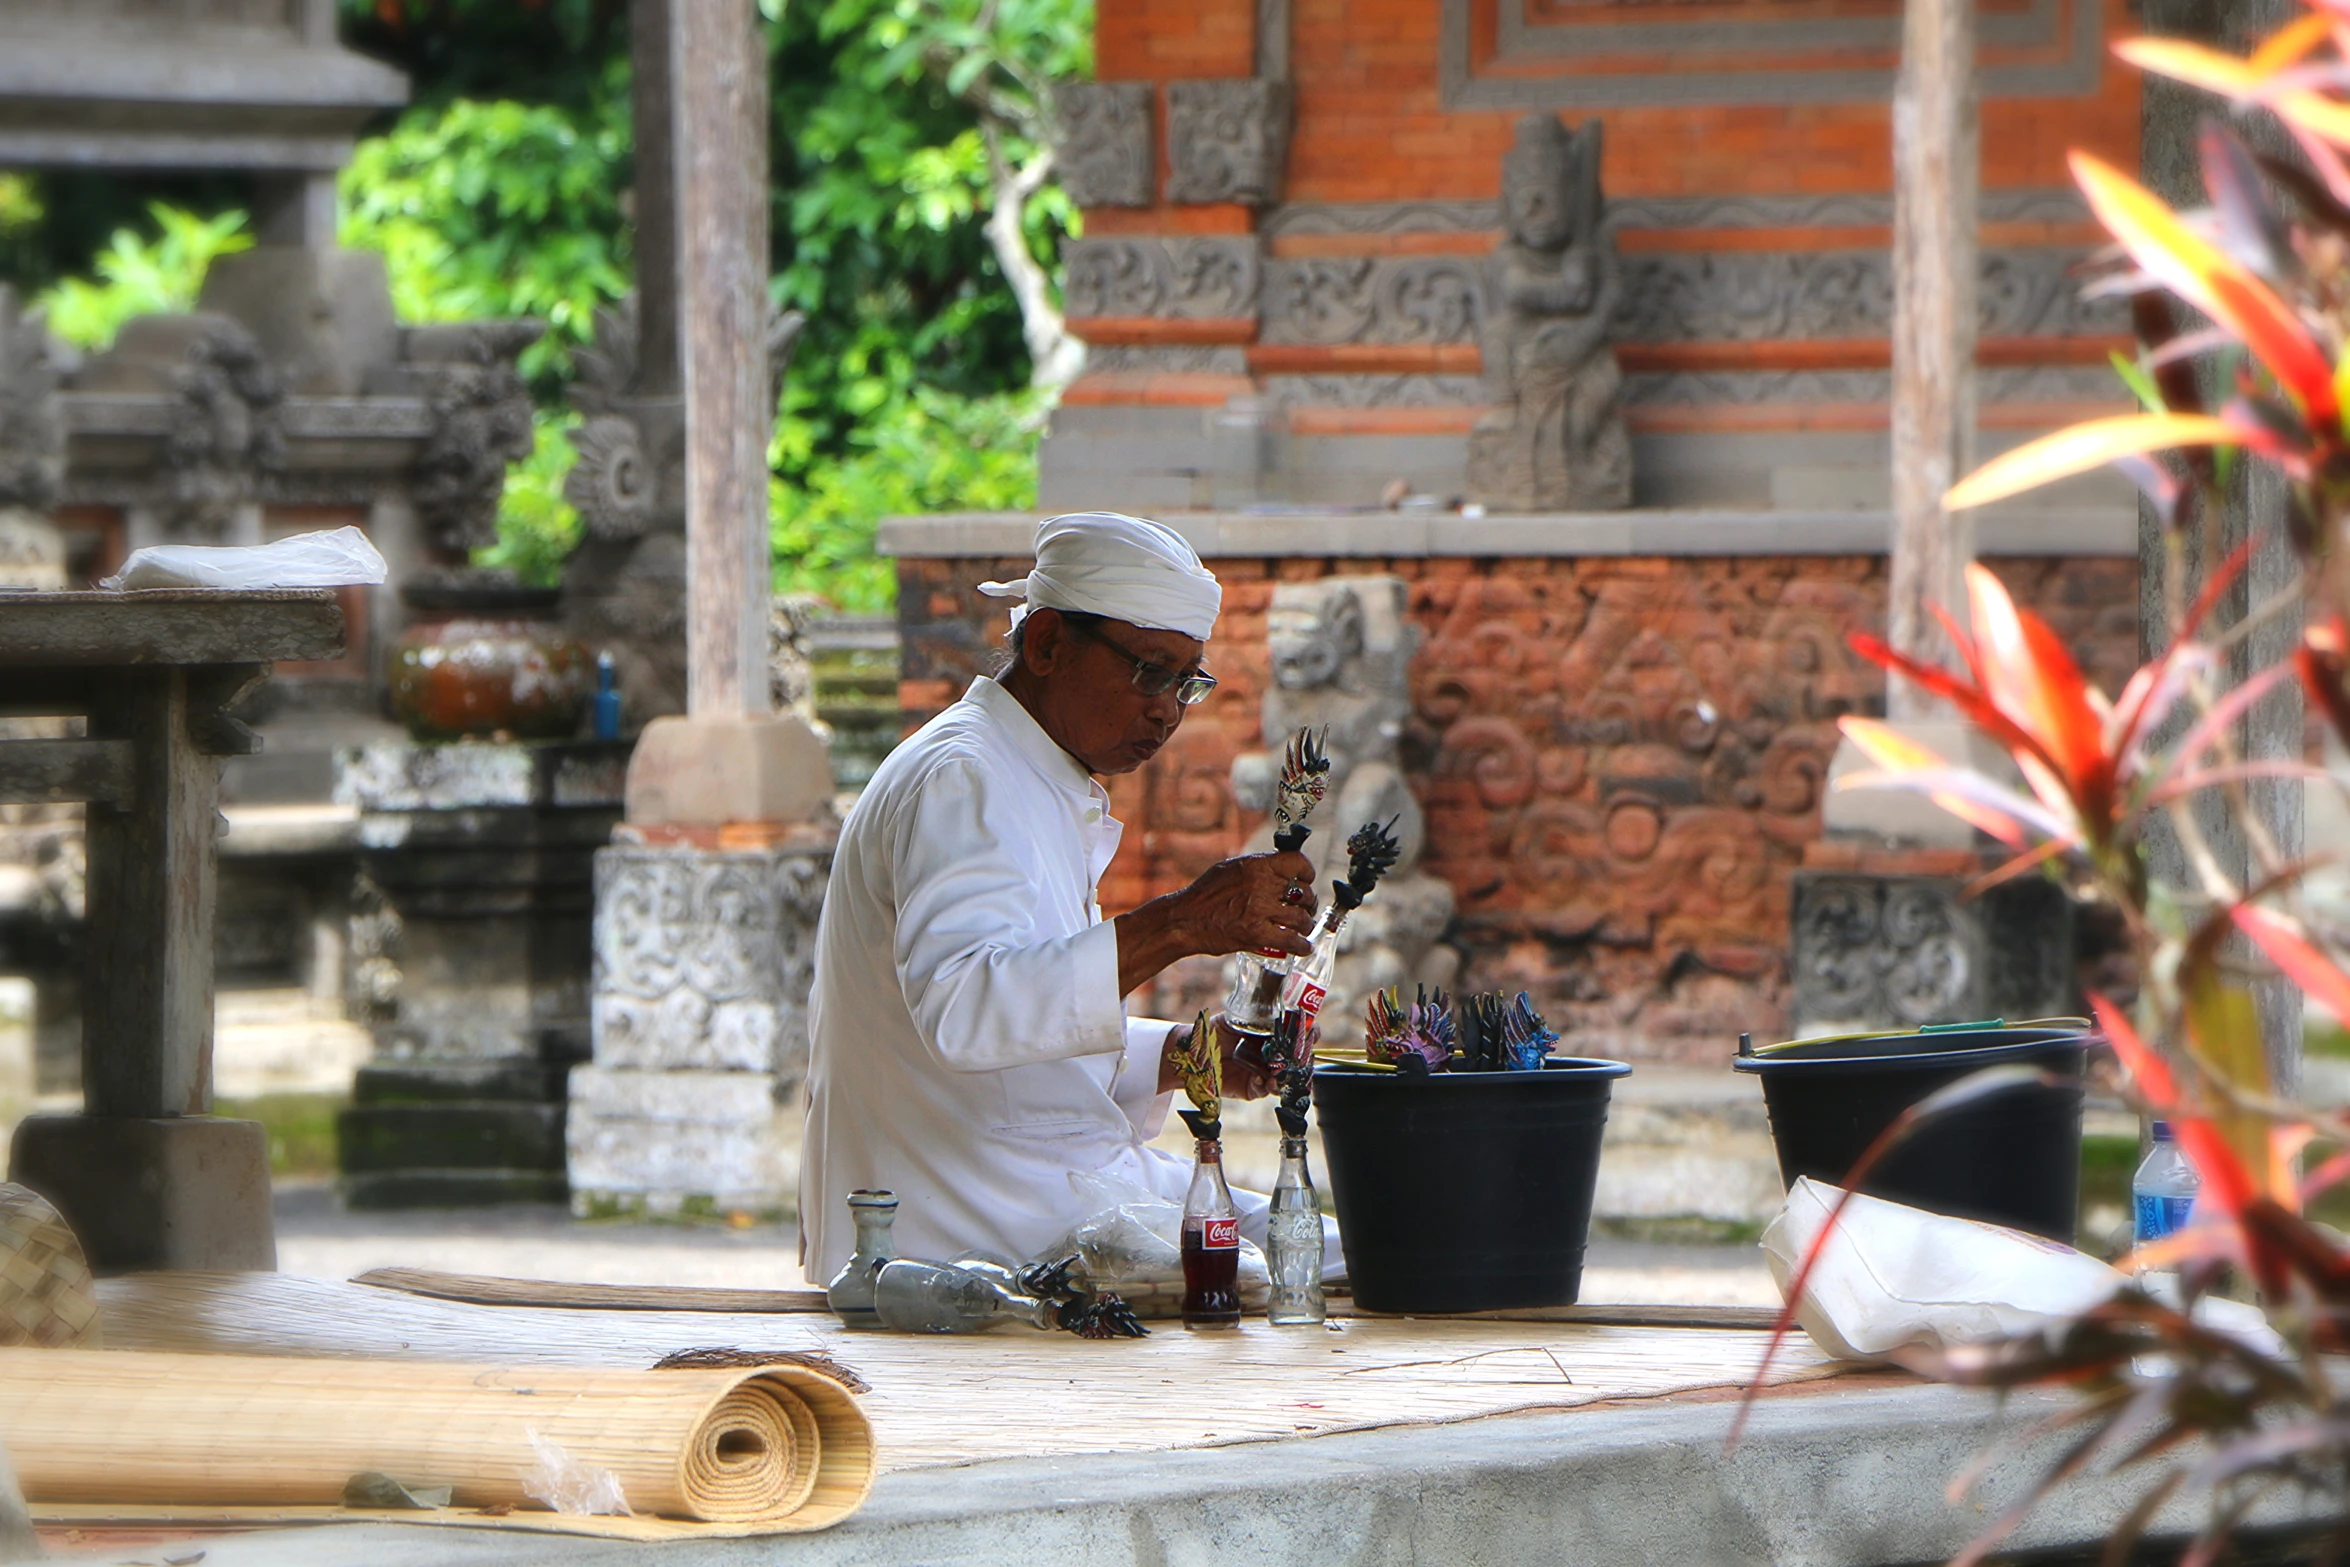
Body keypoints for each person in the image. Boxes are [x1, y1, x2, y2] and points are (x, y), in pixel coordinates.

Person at [801, 512, 1339, 1283]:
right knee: (1279, 1266)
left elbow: (1024, 1042)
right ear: (1050, 643)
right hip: (964, 1232)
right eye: (1150, 672)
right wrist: (1184, 921)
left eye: (1186, 682)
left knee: (1338, 1240)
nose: (1166, 710)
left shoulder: (1031, 776)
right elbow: (968, 1011)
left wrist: (1187, 1055)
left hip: (1041, 1189)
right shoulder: (965, 775)